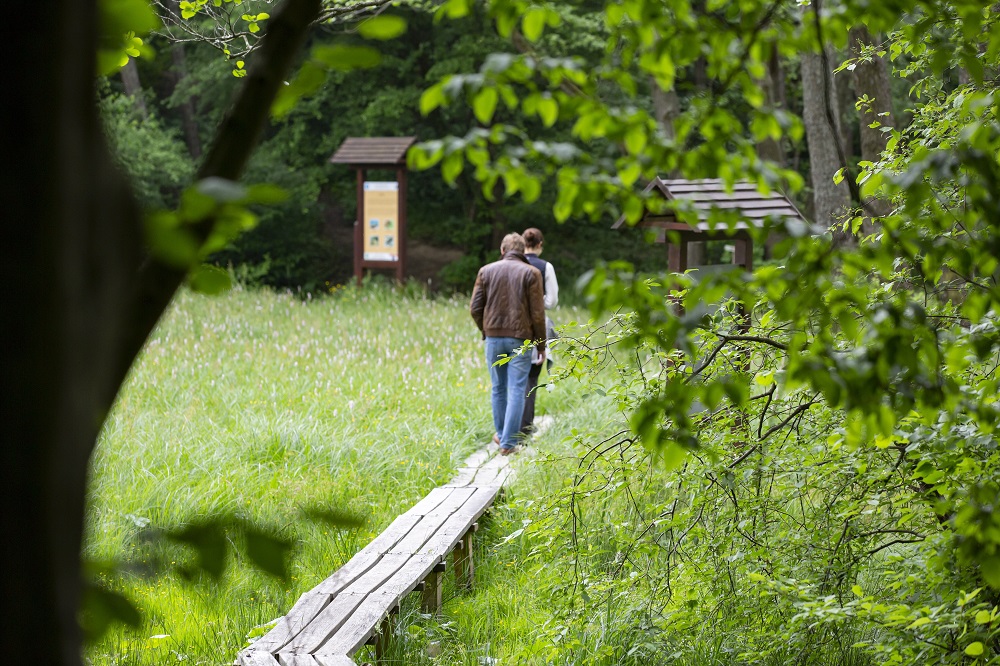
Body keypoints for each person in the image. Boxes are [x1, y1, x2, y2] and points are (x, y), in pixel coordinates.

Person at [470, 233, 547, 455]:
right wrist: (540, 344)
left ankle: (502, 434)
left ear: (502, 250)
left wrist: (486, 330)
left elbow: (475, 308)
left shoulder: (486, 271)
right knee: (517, 388)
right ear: (523, 252)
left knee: (498, 387)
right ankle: (508, 443)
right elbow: (538, 314)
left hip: (493, 338)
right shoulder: (531, 273)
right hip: (520, 339)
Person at [519, 227, 559, 436]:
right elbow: (552, 300)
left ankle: (511, 427)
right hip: (536, 326)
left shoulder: (515, 263)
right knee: (531, 378)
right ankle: (525, 426)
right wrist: (537, 303)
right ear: (540, 245)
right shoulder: (545, 267)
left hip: (513, 323)